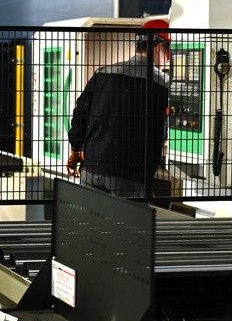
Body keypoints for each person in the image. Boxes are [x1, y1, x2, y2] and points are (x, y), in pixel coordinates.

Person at [66, 19, 170, 198]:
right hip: (130, 176)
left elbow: (81, 113)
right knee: (126, 217)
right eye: (169, 53)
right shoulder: (165, 85)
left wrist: (76, 149)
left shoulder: (103, 73)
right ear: (159, 48)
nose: (168, 59)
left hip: (92, 168)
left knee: (92, 215)